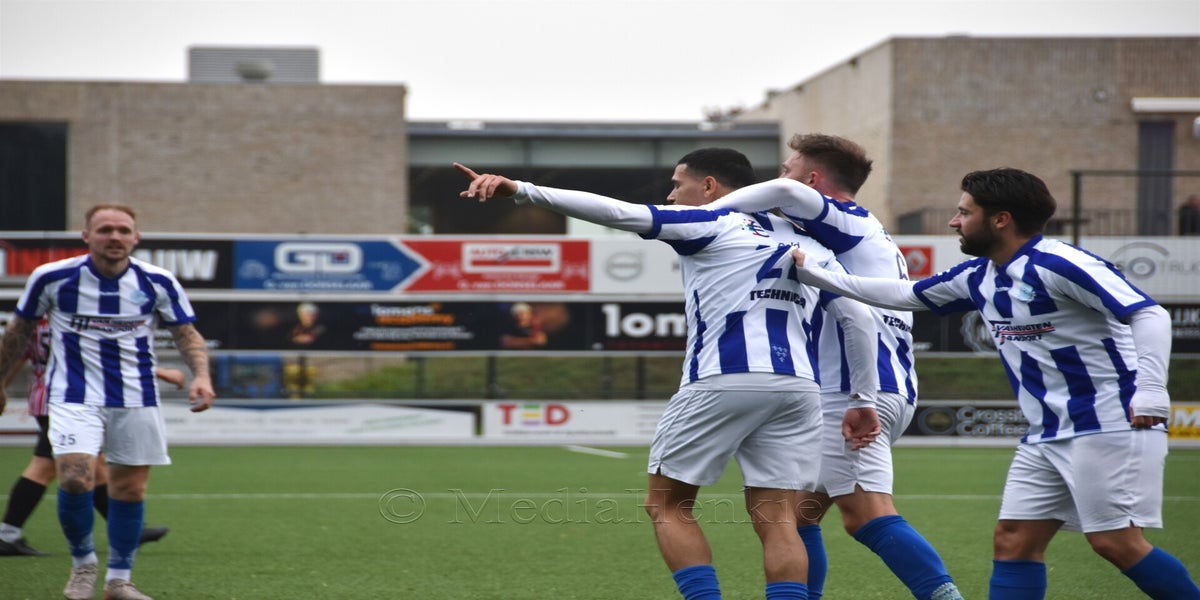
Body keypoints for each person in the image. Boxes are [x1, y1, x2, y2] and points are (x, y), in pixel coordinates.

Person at [456, 148, 882, 600]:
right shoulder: (812, 245)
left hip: (724, 378)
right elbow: (859, 319)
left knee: (667, 504)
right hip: (799, 389)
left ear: (710, 186)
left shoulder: (713, 220)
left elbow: (618, 212)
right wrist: (863, 399)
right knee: (778, 520)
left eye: (678, 185)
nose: (671, 195)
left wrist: (521, 189)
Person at [788, 168, 1200, 599]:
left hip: (1110, 422)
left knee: (1115, 543)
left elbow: (1149, 313)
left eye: (964, 213)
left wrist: (1151, 390)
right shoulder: (978, 276)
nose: (954, 221)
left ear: (1001, 219)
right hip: (1046, 433)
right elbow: (905, 295)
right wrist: (818, 275)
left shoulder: (1060, 263)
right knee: (1013, 541)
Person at [706, 134, 961, 599]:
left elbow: (782, 192)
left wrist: (707, 213)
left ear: (812, 179)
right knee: (799, 516)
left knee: (866, 514)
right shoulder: (862, 233)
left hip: (853, 389)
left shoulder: (846, 217)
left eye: (789, 169)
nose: (782, 178)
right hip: (879, 383)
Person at [0, 204, 216, 600]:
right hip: (72, 396)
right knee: (74, 477)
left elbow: (186, 333)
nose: (114, 237)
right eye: (105, 230)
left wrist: (201, 375)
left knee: (129, 490)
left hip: (136, 397)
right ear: (86, 236)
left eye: (123, 230)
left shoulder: (157, 281)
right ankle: (83, 565)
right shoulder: (52, 277)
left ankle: (119, 580)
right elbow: (18, 331)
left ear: (136, 237)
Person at [0, 317, 180, 557]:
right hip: (69, 400)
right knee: (44, 467)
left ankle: (130, 530)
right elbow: (103, 358)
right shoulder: (74, 316)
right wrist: (161, 372)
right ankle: (8, 534)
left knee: (97, 467)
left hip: (47, 398)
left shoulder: (33, 320)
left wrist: (2, 386)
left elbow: (12, 356)